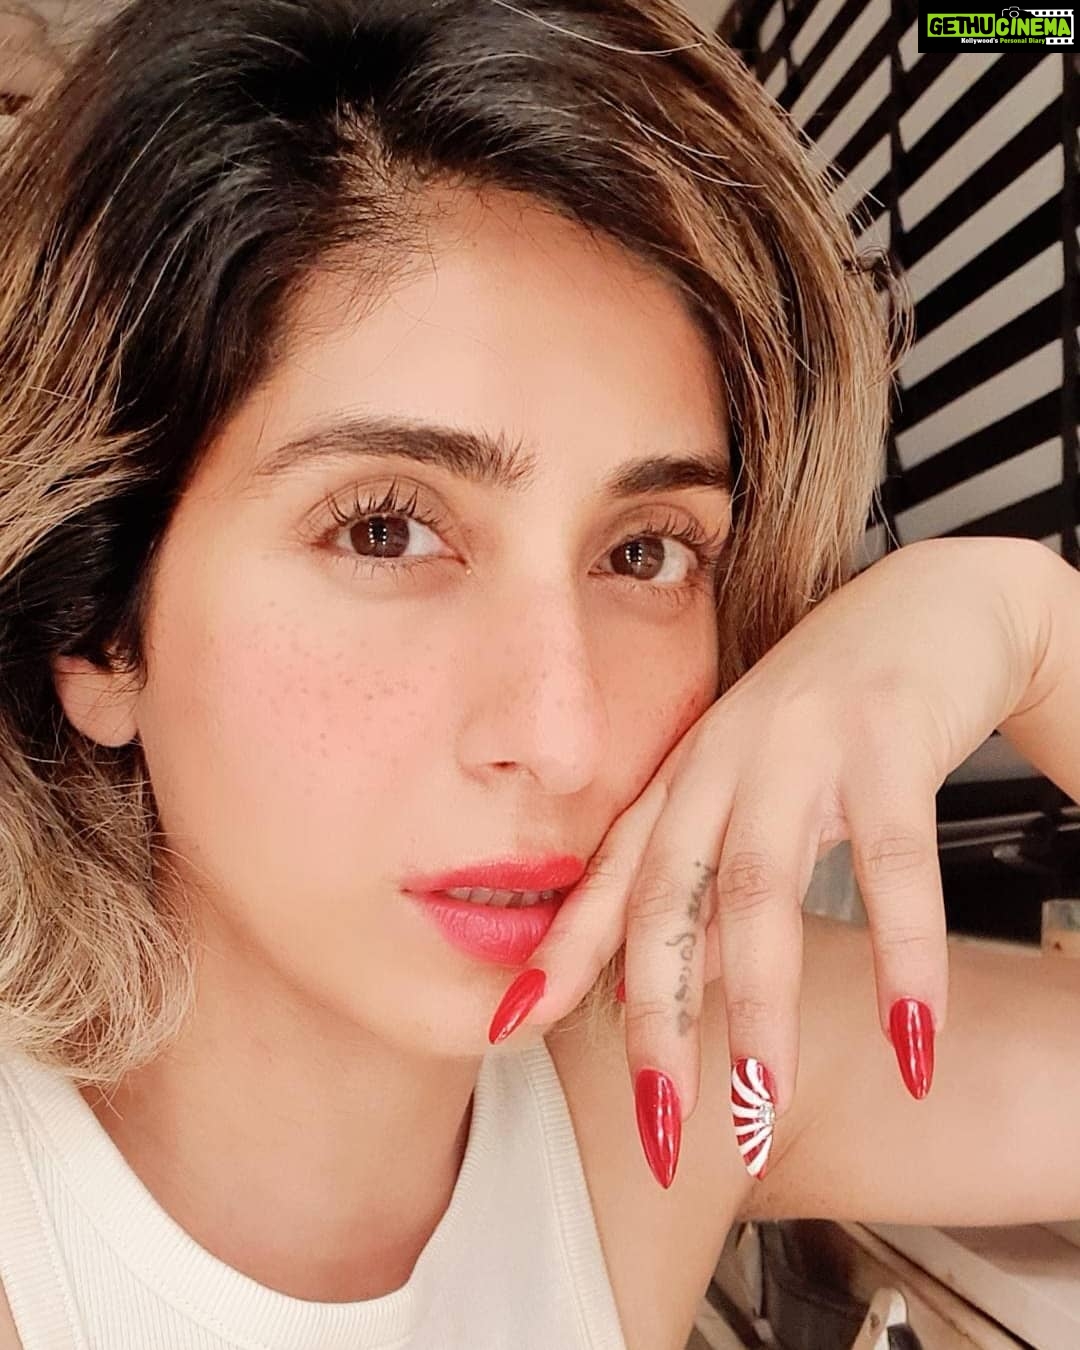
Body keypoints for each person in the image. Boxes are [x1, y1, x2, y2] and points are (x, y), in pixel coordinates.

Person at [0, 2, 1077, 1348]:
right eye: (385, 531)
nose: (562, 732)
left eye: (645, 550)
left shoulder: (677, 1058)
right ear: (98, 628)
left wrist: (1021, 620)